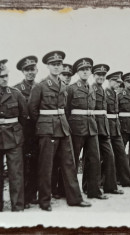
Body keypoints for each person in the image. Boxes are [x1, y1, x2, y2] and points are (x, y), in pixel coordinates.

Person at [28, 51, 91, 211]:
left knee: (70, 164)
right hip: (47, 129)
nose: (56, 67)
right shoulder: (40, 86)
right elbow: (32, 110)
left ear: (62, 66)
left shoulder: (64, 86)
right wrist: (44, 126)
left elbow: (65, 108)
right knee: (46, 166)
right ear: (48, 66)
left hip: (64, 128)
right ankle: (45, 200)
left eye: (59, 65)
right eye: (53, 65)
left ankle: (75, 198)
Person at [66, 57, 108, 200]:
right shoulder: (71, 88)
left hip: (92, 127)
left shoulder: (92, 88)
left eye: (87, 69)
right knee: (73, 160)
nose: (85, 72)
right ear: (77, 72)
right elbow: (66, 111)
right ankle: (72, 193)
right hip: (76, 128)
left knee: (94, 160)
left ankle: (93, 191)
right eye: (82, 69)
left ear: (91, 72)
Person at [88, 64, 123, 194]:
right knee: (93, 159)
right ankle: (90, 187)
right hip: (93, 126)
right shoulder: (91, 88)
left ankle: (110, 186)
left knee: (109, 156)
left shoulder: (102, 90)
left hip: (104, 127)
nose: (101, 77)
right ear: (94, 75)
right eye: (98, 75)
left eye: (103, 75)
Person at [0, 59, 28, 212]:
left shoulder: (16, 94)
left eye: (6, 75)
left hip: (14, 137)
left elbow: (24, 116)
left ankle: (18, 207)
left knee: (16, 173)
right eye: (1, 76)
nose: (5, 78)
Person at [105, 71, 130, 187]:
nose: (118, 83)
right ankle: (106, 180)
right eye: (116, 81)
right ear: (109, 80)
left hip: (118, 126)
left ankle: (126, 180)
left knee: (122, 155)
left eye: (119, 81)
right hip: (110, 127)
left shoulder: (115, 94)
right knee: (108, 156)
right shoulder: (108, 94)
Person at [15, 56, 39, 209]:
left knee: (37, 162)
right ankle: (22, 197)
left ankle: (32, 195)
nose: (30, 72)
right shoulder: (16, 89)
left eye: (33, 69)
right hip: (23, 131)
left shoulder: (40, 87)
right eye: (27, 70)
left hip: (38, 130)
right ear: (23, 72)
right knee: (23, 164)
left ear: (37, 70)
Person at [51, 63, 73, 199]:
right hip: (52, 128)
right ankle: (53, 189)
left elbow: (69, 111)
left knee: (64, 161)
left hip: (66, 128)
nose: (67, 77)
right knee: (52, 160)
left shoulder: (68, 89)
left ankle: (62, 188)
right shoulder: (52, 87)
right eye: (64, 74)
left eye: (69, 75)